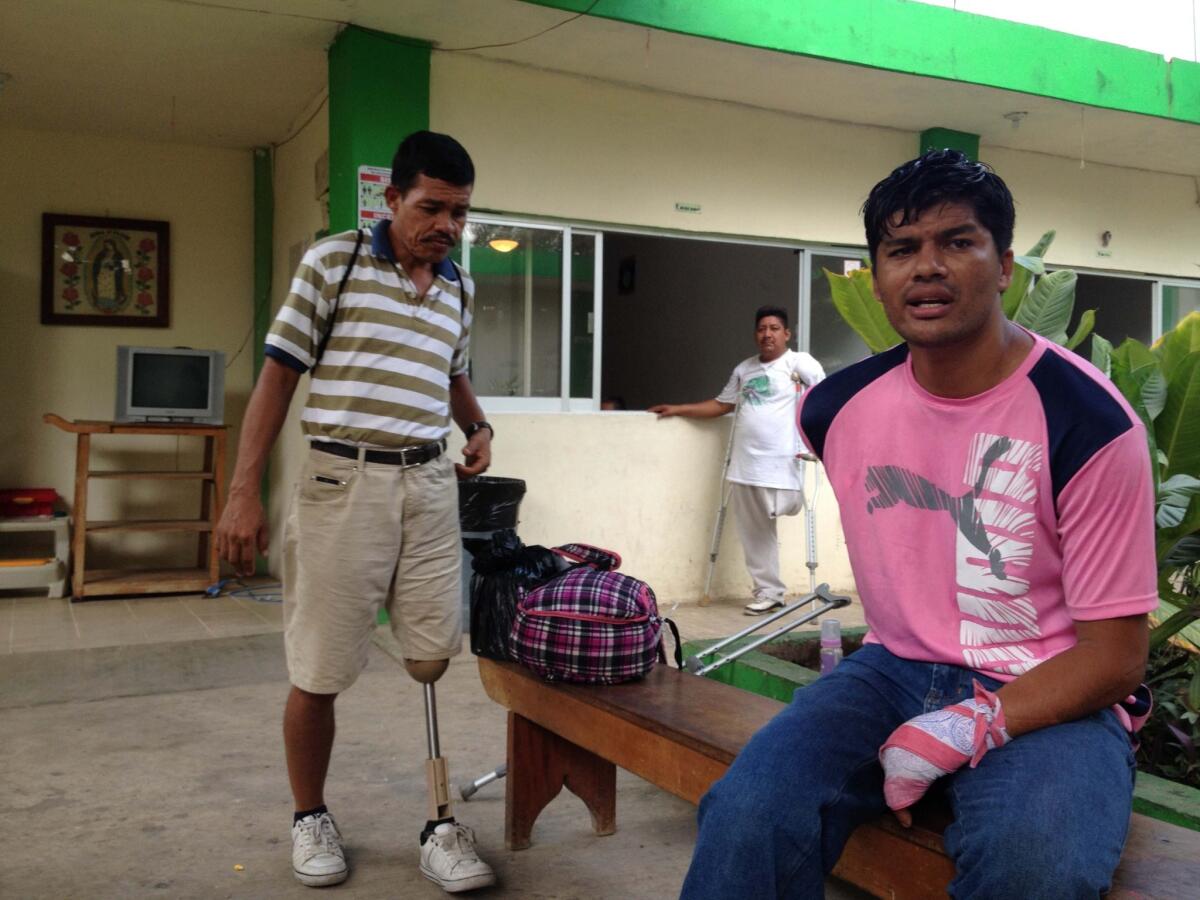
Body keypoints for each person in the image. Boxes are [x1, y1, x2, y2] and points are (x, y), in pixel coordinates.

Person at [680, 149, 1157, 899]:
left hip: (1051, 689)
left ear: (1004, 267)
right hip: (890, 669)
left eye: (957, 243)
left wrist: (967, 726)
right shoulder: (832, 410)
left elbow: (1118, 657)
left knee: (1033, 871)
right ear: (878, 276)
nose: (926, 267)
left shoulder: (1090, 424)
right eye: (902, 250)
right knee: (747, 814)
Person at [215, 131, 497, 893]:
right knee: (321, 669)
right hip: (344, 481)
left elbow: (452, 373)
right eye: (432, 207)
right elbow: (276, 381)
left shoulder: (459, 287)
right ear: (391, 199)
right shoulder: (332, 264)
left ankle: (440, 823)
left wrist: (477, 426)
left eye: (461, 213)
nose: (446, 226)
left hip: (430, 486)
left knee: (433, 656)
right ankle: (310, 815)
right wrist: (243, 491)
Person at [649, 307, 825, 614]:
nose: (767, 334)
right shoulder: (745, 369)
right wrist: (678, 409)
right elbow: (721, 405)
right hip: (746, 465)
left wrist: (818, 436)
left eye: (774, 328)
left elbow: (823, 394)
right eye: (761, 329)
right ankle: (770, 593)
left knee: (787, 507)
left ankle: (772, 587)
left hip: (784, 462)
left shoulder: (799, 363)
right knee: (755, 533)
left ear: (786, 334)